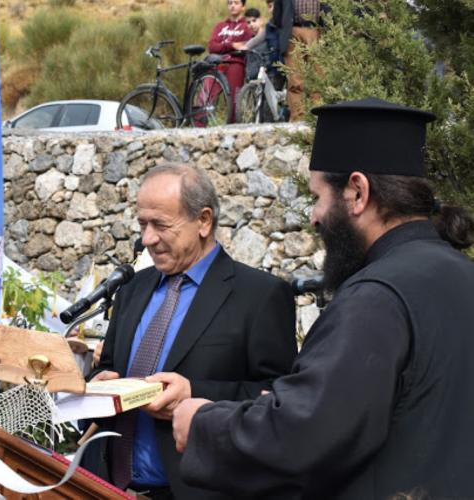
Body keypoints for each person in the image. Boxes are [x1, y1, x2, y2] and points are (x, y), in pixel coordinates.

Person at [172, 98, 474, 498]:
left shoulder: (376, 297)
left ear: (357, 192)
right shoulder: (461, 273)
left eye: (318, 197)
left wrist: (202, 425)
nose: (314, 217)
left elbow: (305, 437)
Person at [88, 163, 297, 498]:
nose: (147, 239)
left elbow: (280, 399)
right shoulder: (133, 289)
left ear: (203, 221)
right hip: (105, 487)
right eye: (142, 224)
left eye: (160, 225)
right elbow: (109, 366)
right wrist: (96, 388)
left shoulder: (259, 296)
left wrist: (194, 393)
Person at [273, 0, 323, 121]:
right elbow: (277, 16)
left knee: (318, 78)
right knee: (295, 79)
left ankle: (319, 117)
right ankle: (298, 118)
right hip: (292, 31)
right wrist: (285, 29)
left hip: (318, 31)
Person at [207, 0, 254, 122]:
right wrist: (232, 45)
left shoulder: (247, 26)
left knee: (234, 99)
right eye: (230, 3)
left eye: (236, 3)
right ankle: (199, 126)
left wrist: (223, 46)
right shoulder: (220, 26)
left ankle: (233, 126)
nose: (232, 5)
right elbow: (212, 46)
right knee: (206, 94)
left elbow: (246, 46)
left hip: (236, 63)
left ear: (243, 7)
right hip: (217, 63)